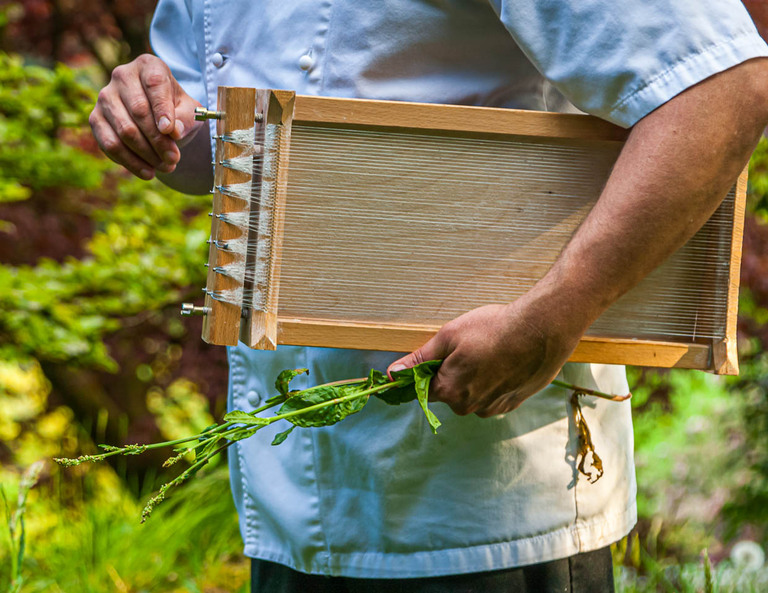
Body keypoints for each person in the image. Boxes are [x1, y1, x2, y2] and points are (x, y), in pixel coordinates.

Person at [89, 2, 768, 591]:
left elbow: (724, 86)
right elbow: (221, 137)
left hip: (492, 510)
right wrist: (153, 114)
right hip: (288, 503)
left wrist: (556, 314)